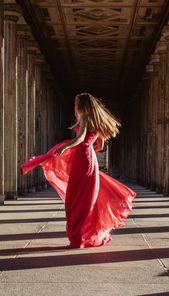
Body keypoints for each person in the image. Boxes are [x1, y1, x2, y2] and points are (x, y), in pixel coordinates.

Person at [20, 92, 136, 248]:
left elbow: (80, 138)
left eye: (76, 103)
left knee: (76, 200)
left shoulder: (84, 118)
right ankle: (83, 237)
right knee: (86, 200)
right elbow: (100, 146)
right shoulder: (96, 120)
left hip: (82, 159)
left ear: (81, 104)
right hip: (90, 160)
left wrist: (66, 146)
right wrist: (88, 151)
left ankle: (78, 239)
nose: (75, 106)